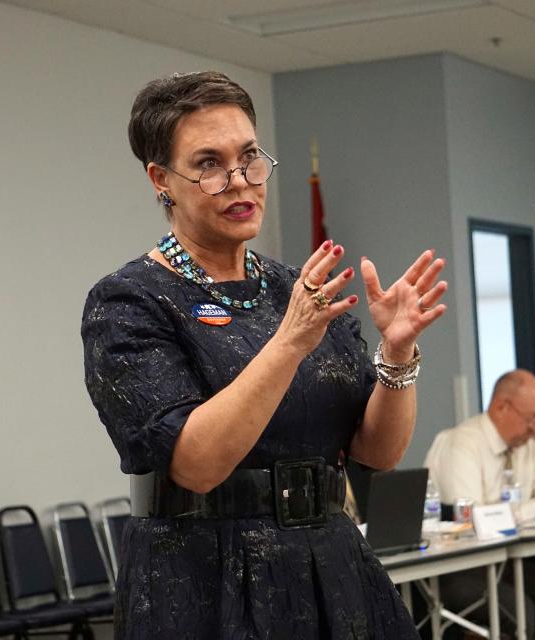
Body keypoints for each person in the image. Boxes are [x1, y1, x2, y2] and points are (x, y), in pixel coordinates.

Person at [81, 71, 448, 639]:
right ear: (162, 180)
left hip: (331, 566)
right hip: (204, 576)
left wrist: (397, 355)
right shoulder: (128, 302)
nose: (240, 181)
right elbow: (196, 464)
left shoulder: (297, 289)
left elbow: (377, 452)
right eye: (208, 164)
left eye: (250, 157)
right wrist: (288, 344)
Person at [424, 370, 535, 640]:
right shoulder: (462, 443)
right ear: (502, 406)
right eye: (532, 419)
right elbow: (470, 522)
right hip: (458, 565)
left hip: (505, 560)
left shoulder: (523, 446)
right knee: (520, 613)